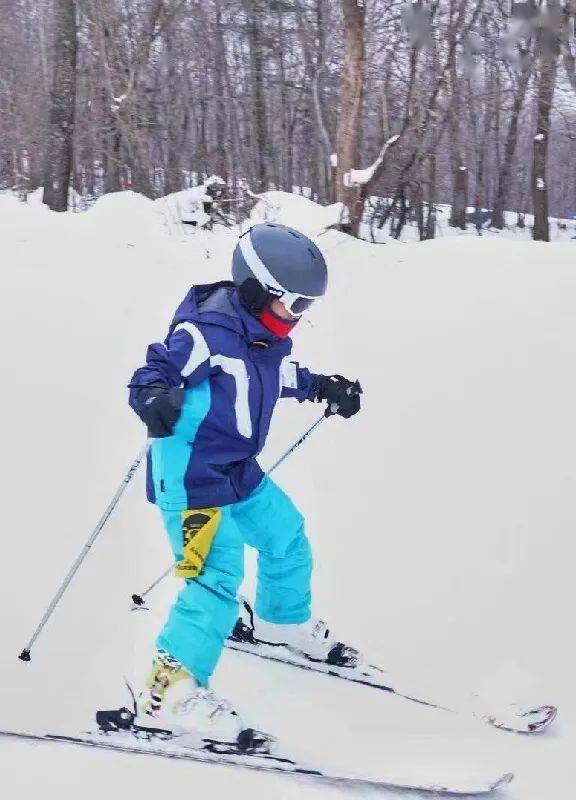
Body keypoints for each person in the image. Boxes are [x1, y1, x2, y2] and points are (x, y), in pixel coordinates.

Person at [128, 223, 362, 748]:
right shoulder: (205, 332)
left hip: (236, 468)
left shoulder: (264, 335)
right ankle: (170, 693)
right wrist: (151, 394)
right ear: (257, 290)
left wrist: (322, 386)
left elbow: (274, 376)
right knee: (216, 576)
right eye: (294, 303)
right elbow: (158, 367)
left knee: (286, 535)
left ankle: (281, 621)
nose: (299, 315)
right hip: (192, 479)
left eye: (308, 305)